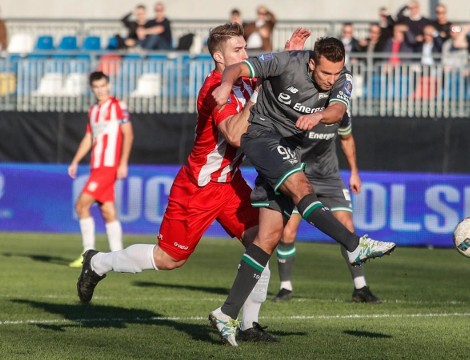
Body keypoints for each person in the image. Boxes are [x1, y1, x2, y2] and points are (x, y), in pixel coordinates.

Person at [75, 24, 311, 343]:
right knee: (169, 259)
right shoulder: (215, 87)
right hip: (198, 186)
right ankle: (98, 261)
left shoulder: (246, 77)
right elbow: (234, 135)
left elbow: (271, 77)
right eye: (238, 50)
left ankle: (249, 325)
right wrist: (259, 96)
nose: (245, 54)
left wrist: (287, 53)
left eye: (245, 48)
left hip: (230, 182)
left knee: (263, 242)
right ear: (218, 56)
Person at [208, 37, 397, 346]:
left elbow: (337, 111)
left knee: (267, 238)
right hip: (261, 135)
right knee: (301, 187)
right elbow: (238, 68)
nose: (332, 80)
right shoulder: (286, 62)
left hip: (288, 149)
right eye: (325, 74)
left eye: (336, 74)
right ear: (312, 64)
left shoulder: (341, 78)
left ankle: (226, 313)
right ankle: (354, 244)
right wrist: (226, 85)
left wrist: (319, 115)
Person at [273, 109, 380, 303]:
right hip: (299, 176)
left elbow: (346, 139)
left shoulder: (340, 113)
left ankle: (360, 287)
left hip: (329, 178)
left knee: (348, 228)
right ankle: (285, 288)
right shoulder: (300, 109)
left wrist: (354, 172)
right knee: (287, 233)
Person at [67, 71, 134, 268]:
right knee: (107, 211)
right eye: (96, 87)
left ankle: (87, 254)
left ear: (109, 85)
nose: (100, 90)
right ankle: (119, 257)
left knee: (81, 205)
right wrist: (75, 161)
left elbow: (128, 135)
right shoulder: (93, 111)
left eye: (103, 85)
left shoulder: (118, 106)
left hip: (109, 165)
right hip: (97, 165)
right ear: (92, 89)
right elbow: (89, 138)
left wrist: (123, 162)